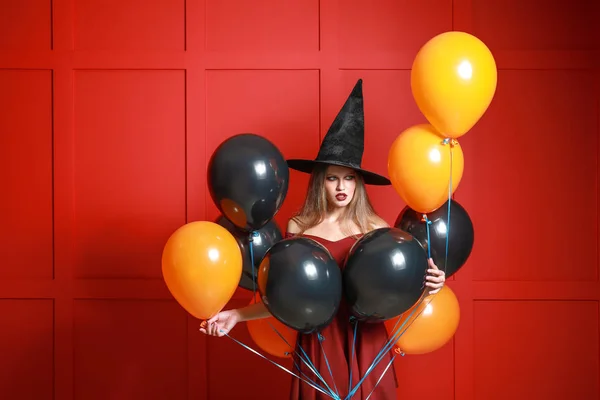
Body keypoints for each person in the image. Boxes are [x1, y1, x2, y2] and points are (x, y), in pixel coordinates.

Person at [200, 79, 446, 399]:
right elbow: (285, 299)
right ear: (320, 182)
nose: (341, 187)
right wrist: (236, 315)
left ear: (358, 184)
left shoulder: (375, 227)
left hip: (366, 348)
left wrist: (429, 287)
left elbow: (395, 295)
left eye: (349, 178)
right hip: (319, 348)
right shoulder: (300, 227)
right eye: (332, 178)